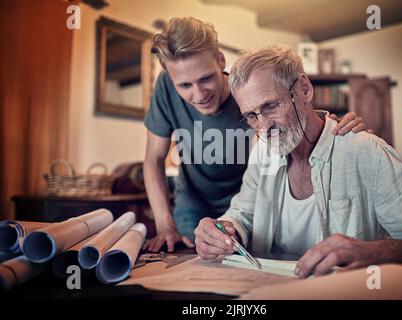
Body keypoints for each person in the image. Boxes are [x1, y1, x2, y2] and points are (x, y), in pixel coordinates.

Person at [194, 45, 402, 277]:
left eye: (271, 106)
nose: (263, 127)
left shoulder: (365, 151)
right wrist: (224, 231)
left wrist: (374, 253)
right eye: (251, 116)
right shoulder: (263, 155)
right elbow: (243, 214)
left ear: (304, 89)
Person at [143, 17, 367, 253]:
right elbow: (153, 159)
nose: (199, 95)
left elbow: (295, 123)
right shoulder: (165, 88)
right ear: (170, 79)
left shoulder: (247, 94)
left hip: (245, 201)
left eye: (206, 78)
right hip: (192, 204)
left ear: (221, 61)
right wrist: (165, 226)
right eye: (185, 86)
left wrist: (332, 129)